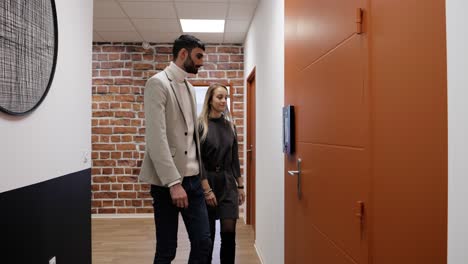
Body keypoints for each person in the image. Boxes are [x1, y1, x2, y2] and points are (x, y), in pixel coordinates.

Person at [139, 35, 212, 264]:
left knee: (204, 243)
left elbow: (191, 138)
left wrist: (201, 178)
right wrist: (173, 183)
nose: (201, 62)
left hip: (193, 181)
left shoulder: (190, 88)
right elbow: (156, 138)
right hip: (167, 184)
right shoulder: (158, 83)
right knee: (167, 250)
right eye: (198, 56)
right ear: (183, 54)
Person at [197, 83, 246, 264]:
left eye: (226, 97)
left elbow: (234, 159)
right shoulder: (201, 125)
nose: (223, 101)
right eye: (219, 97)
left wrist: (240, 185)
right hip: (208, 180)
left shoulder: (230, 126)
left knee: (228, 233)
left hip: (227, 182)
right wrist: (206, 189)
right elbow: (198, 160)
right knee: (207, 236)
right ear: (210, 99)